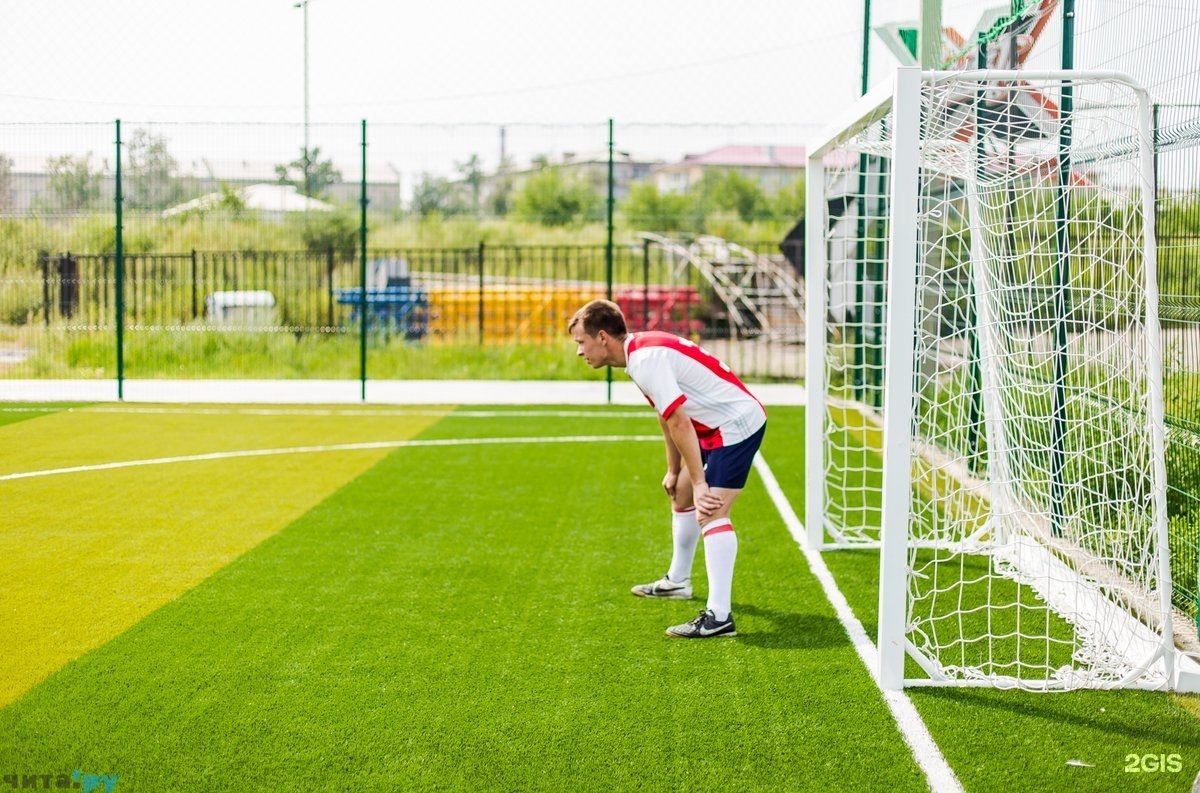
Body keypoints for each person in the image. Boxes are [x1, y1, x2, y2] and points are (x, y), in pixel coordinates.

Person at [568, 299, 766, 639]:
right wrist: (675, 471)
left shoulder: (645, 360)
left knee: (711, 513)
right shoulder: (639, 354)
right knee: (682, 493)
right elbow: (667, 415)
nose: (579, 352)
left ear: (602, 337)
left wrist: (702, 483)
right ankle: (678, 582)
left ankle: (719, 617)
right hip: (713, 425)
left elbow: (678, 420)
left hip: (735, 424)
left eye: (580, 342)